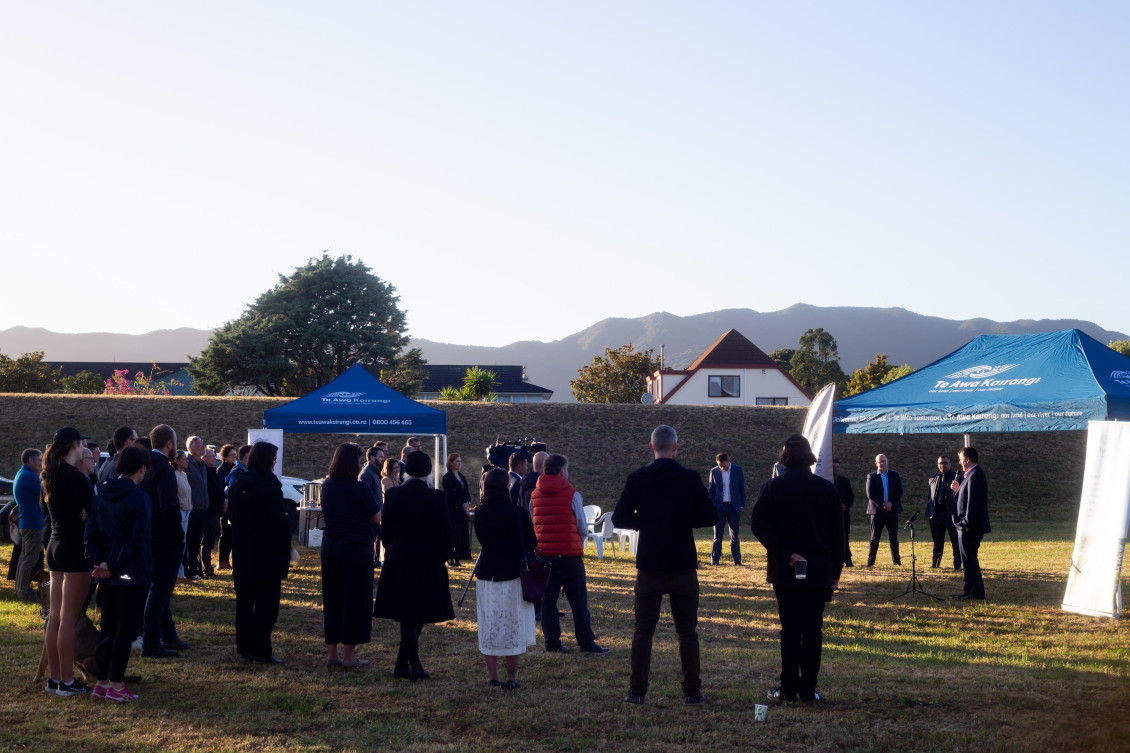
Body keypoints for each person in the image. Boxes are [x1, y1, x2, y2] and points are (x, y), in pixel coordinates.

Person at [612, 425, 716, 705]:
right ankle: (692, 692)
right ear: (675, 448)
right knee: (687, 632)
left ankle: (636, 692)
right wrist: (683, 520)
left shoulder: (637, 478)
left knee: (643, 631)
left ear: (651, 447)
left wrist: (646, 522)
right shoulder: (690, 478)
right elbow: (709, 516)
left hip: (649, 564)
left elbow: (619, 519)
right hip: (682, 564)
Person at [750, 434, 844, 704]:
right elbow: (838, 536)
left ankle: (788, 687)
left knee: (790, 629)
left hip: (785, 570)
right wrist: (835, 575)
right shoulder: (826, 489)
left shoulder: (772, 487)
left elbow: (759, 525)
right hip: (818, 571)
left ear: (785, 457)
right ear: (810, 456)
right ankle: (808, 689)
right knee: (813, 630)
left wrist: (784, 552)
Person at [374, 451, 454, 681]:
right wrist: (441, 555)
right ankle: (413, 663)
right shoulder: (437, 497)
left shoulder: (394, 495)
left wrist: (394, 551)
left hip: (399, 558)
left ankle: (402, 664)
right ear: (428, 471)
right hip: (428, 559)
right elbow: (446, 534)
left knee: (408, 611)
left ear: (407, 470)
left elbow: (385, 532)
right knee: (415, 612)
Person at [85, 446, 152, 703]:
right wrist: (112, 564)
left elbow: (90, 533)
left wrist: (101, 562)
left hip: (107, 570)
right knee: (125, 629)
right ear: (141, 469)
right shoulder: (138, 498)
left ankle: (102, 682)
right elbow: (137, 539)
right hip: (131, 571)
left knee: (108, 626)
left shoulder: (101, 494)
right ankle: (115, 684)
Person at [531, 454, 609, 655]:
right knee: (578, 601)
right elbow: (582, 526)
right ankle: (585, 642)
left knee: (548, 600)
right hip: (569, 555)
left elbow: (534, 524)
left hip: (545, 555)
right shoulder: (572, 494)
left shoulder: (534, 495)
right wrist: (577, 544)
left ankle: (552, 642)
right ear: (562, 471)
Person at [41, 426, 95, 696]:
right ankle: (65, 681)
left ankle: (55, 679)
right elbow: (91, 510)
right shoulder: (74, 476)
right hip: (74, 549)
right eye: (83, 442)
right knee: (69, 619)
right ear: (75, 445)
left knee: (56, 618)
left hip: (55, 546)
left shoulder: (51, 474)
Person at [228, 441, 293, 663]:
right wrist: (286, 539)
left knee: (244, 604)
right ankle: (262, 650)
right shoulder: (269, 485)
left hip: (243, 551)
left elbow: (231, 518)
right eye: (273, 460)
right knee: (267, 605)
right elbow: (279, 521)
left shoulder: (238, 484)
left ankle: (245, 648)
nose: (274, 464)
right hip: (267, 553)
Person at [474, 468, 538, 689]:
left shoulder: (480, 512)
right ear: (507, 487)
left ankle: (493, 676)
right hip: (512, 574)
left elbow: (482, 540)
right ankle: (511, 678)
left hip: (487, 574)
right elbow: (532, 543)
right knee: (513, 626)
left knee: (489, 624)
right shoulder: (517, 513)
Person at [320, 443, 382, 669]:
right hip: (355, 546)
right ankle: (349, 656)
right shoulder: (359, 488)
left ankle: (332, 655)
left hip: (331, 545)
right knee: (355, 600)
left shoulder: (327, 485)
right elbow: (375, 517)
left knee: (333, 598)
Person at [140, 424, 188, 658]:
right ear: (169, 444)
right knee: (160, 589)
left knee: (160, 587)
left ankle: (168, 634)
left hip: (149, 534)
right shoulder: (164, 469)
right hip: (165, 536)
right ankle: (151, 641)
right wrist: (178, 534)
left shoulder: (145, 466)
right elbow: (168, 506)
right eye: (175, 442)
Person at [951, 447, 991, 600]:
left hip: (969, 527)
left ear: (967, 459)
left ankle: (975, 592)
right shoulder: (970, 475)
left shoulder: (975, 475)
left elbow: (973, 503)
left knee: (970, 560)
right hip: (966, 525)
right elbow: (965, 497)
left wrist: (966, 522)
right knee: (967, 560)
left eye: (961, 458)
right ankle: (969, 591)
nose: (960, 462)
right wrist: (957, 490)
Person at [13, 448, 44, 599]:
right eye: (39, 460)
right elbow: (45, 495)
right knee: (30, 558)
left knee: (24, 557)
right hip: (33, 522)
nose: (41, 463)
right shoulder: (30, 477)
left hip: (26, 521)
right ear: (30, 460)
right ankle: (23, 590)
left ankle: (19, 587)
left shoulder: (21, 473)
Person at [707, 452, 747, 566]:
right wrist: (713, 504)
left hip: (733, 507)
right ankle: (714, 561)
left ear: (728, 461)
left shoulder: (738, 470)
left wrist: (742, 505)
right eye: (719, 465)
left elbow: (742, 488)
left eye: (723, 465)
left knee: (735, 536)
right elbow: (711, 490)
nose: (721, 467)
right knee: (717, 536)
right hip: (719, 507)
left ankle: (737, 561)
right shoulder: (714, 471)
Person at [865, 454, 903, 566]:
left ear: (887, 461)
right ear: (876, 463)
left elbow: (899, 491)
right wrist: (883, 505)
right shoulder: (871, 476)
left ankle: (897, 562)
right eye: (880, 461)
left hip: (892, 510)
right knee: (874, 538)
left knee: (893, 538)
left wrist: (891, 503)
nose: (882, 463)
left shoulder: (894, 475)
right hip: (877, 512)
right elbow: (870, 494)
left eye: (884, 461)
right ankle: (870, 563)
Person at [218, 444, 251, 571]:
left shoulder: (244, 470)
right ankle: (223, 562)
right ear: (247, 456)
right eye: (231, 455)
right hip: (231, 509)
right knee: (227, 535)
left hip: (236, 509)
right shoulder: (237, 471)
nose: (234, 457)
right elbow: (234, 492)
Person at [927, 455, 961, 570]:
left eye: (945, 463)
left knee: (955, 542)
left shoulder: (957, 477)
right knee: (937, 542)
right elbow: (930, 496)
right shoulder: (932, 477)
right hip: (936, 514)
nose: (943, 465)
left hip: (950, 514)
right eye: (940, 463)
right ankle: (935, 564)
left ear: (950, 464)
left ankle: (957, 565)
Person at [183, 437, 209, 579]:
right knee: (189, 541)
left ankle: (194, 569)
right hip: (193, 509)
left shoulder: (202, 464)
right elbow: (185, 484)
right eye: (200, 445)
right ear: (191, 449)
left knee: (197, 542)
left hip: (203, 508)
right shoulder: (187, 463)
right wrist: (191, 504)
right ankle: (187, 570)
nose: (203, 446)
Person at [200, 447, 227, 578]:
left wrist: (224, 499)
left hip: (215, 510)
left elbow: (218, 489)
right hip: (209, 510)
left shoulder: (212, 471)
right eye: (211, 456)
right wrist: (222, 499)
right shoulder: (205, 472)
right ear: (204, 458)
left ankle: (206, 568)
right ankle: (206, 569)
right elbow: (212, 491)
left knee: (209, 541)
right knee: (207, 541)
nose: (214, 458)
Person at [442, 453, 472, 567]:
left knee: (461, 534)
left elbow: (466, 492)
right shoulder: (447, 477)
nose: (459, 463)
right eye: (457, 461)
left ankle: (460, 555)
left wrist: (467, 502)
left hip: (462, 511)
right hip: (453, 511)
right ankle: (451, 557)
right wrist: (461, 504)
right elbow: (450, 494)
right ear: (451, 463)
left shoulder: (462, 476)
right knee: (453, 535)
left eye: (460, 461)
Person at [173, 451, 194, 581]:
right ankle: (176, 573)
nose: (187, 461)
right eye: (184, 459)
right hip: (180, 511)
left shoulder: (184, 475)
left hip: (187, 511)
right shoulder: (173, 475)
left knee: (183, 543)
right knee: (178, 542)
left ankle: (180, 573)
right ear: (177, 461)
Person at [831, 459, 855, 567]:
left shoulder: (845, 481)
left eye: (837, 467)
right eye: (833, 467)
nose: (836, 469)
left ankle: (847, 559)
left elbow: (851, 497)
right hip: (830, 516)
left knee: (844, 537)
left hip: (843, 515)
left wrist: (846, 505)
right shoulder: (826, 481)